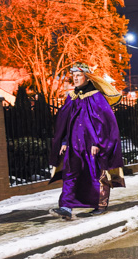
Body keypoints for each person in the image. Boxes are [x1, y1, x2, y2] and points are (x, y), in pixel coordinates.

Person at [48, 63, 125, 220]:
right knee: (70, 174)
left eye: (79, 76)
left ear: (87, 77)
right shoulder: (72, 98)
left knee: (97, 174)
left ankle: (101, 204)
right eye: (74, 76)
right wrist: (63, 141)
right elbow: (65, 122)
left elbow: (104, 122)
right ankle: (66, 207)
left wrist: (97, 142)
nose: (75, 79)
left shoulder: (96, 97)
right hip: (73, 144)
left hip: (92, 145)